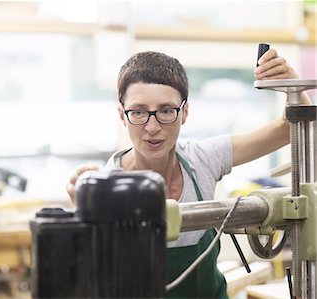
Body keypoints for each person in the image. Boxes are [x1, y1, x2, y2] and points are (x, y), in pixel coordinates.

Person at [66, 48, 312, 298]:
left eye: (166, 111)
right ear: (122, 114)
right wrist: (84, 213)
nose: (152, 127)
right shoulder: (107, 186)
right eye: (138, 112)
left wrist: (292, 84)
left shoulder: (202, 160)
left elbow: (288, 128)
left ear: (184, 112)